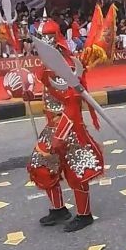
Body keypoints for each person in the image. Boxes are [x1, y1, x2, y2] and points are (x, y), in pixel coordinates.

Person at [26, 18, 104, 232]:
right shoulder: (47, 65)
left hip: (69, 128)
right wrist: (27, 93)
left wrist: (61, 134)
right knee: (42, 167)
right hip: (51, 127)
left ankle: (84, 214)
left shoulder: (66, 66)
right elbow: (47, 94)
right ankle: (58, 209)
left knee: (76, 171)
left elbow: (71, 102)